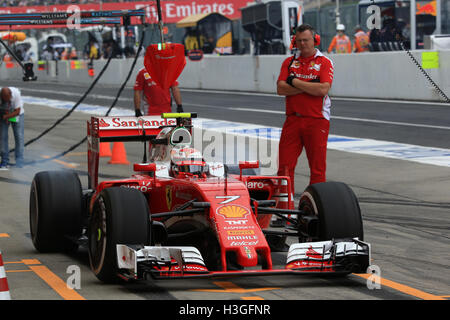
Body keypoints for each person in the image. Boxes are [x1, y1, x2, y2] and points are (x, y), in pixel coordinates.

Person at [276, 24, 334, 192]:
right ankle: (284, 211)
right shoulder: (289, 62)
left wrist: (293, 81)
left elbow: (322, 90)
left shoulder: (324, 62)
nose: (303, 44)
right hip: (293, 119)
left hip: (317, 120)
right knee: (284, 167)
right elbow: (280, 89)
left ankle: (316, 209)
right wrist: (309, 85)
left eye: (306, 40)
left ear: (315, 40)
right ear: (295, 41)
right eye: (299, 40)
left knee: (317, 169)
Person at [0, 87, 24, 169]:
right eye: (4, 99)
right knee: (3, 137)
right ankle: (4, 161)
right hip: (3, 114)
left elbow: (17, 111)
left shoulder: (16, 94)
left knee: (19, 136)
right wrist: (5, 115)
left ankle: (19, 162)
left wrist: (7, 116)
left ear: (11, 95)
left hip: (17, 114)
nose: (6, 101)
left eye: (8, 99)